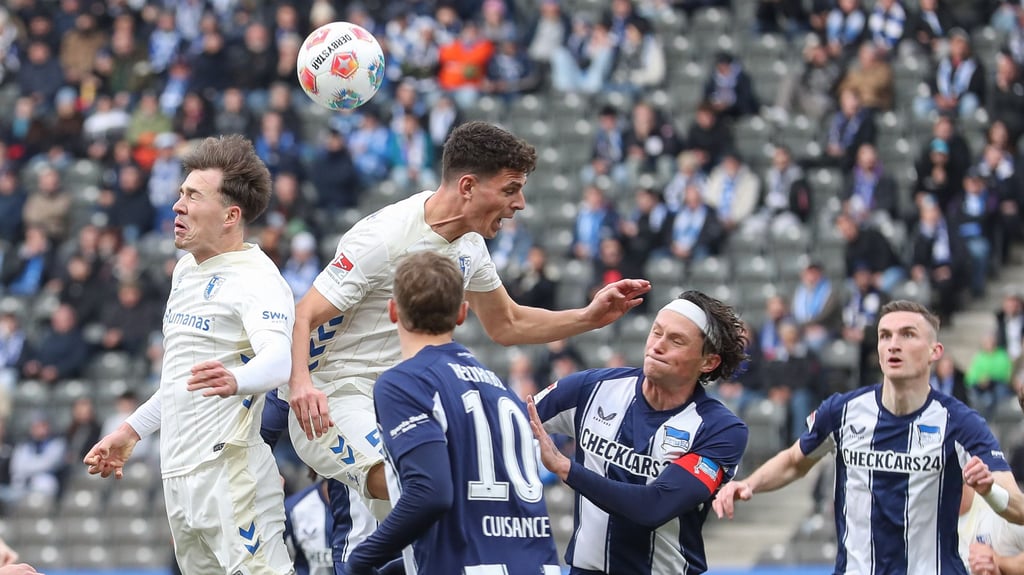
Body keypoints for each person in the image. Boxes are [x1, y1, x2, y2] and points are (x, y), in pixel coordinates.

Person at [285, 122, 649, 541]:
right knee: (415, 482)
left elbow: (507, 323)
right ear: (469, 186)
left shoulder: (470, 247)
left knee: (410, 525)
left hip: (400, 398)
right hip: (335, 397)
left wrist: (588, 317)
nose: (520, 203)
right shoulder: (384, 237)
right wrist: (301, 385)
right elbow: (304, 314)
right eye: (511, 189)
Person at [82, 135, 297, 575]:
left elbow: (279, 359)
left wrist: (237, 380)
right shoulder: (185, 270)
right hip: (179, 476)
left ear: (231, 216)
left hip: (230, 472)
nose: (177, 206)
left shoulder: (257, 280)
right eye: (181, 193)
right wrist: (132, 429)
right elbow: (184, 380)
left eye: (194, 196)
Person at [713, 300, 1024, 574]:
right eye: (885, 335)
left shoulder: (961, 423)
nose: (893, 344)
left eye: (908, 334)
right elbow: (795, 461)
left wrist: (989, 491)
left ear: (935, 351)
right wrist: (749, 483)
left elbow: (1019, 509)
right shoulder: (842, 411)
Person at [342, 251, 560, 574]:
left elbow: (430, 493)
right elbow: (479, 521)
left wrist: (361, 560)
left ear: (393, 310)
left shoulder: (405, 382)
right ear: (462, 313)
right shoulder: (500, 389)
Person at [527, 290, 750, 574]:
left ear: (709, 362)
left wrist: (566, 468)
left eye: (676, 340)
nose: (657, 346)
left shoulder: (721, 430)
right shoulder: (592, 389)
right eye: (656, 332)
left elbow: (654, 506)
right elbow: (508, 423)